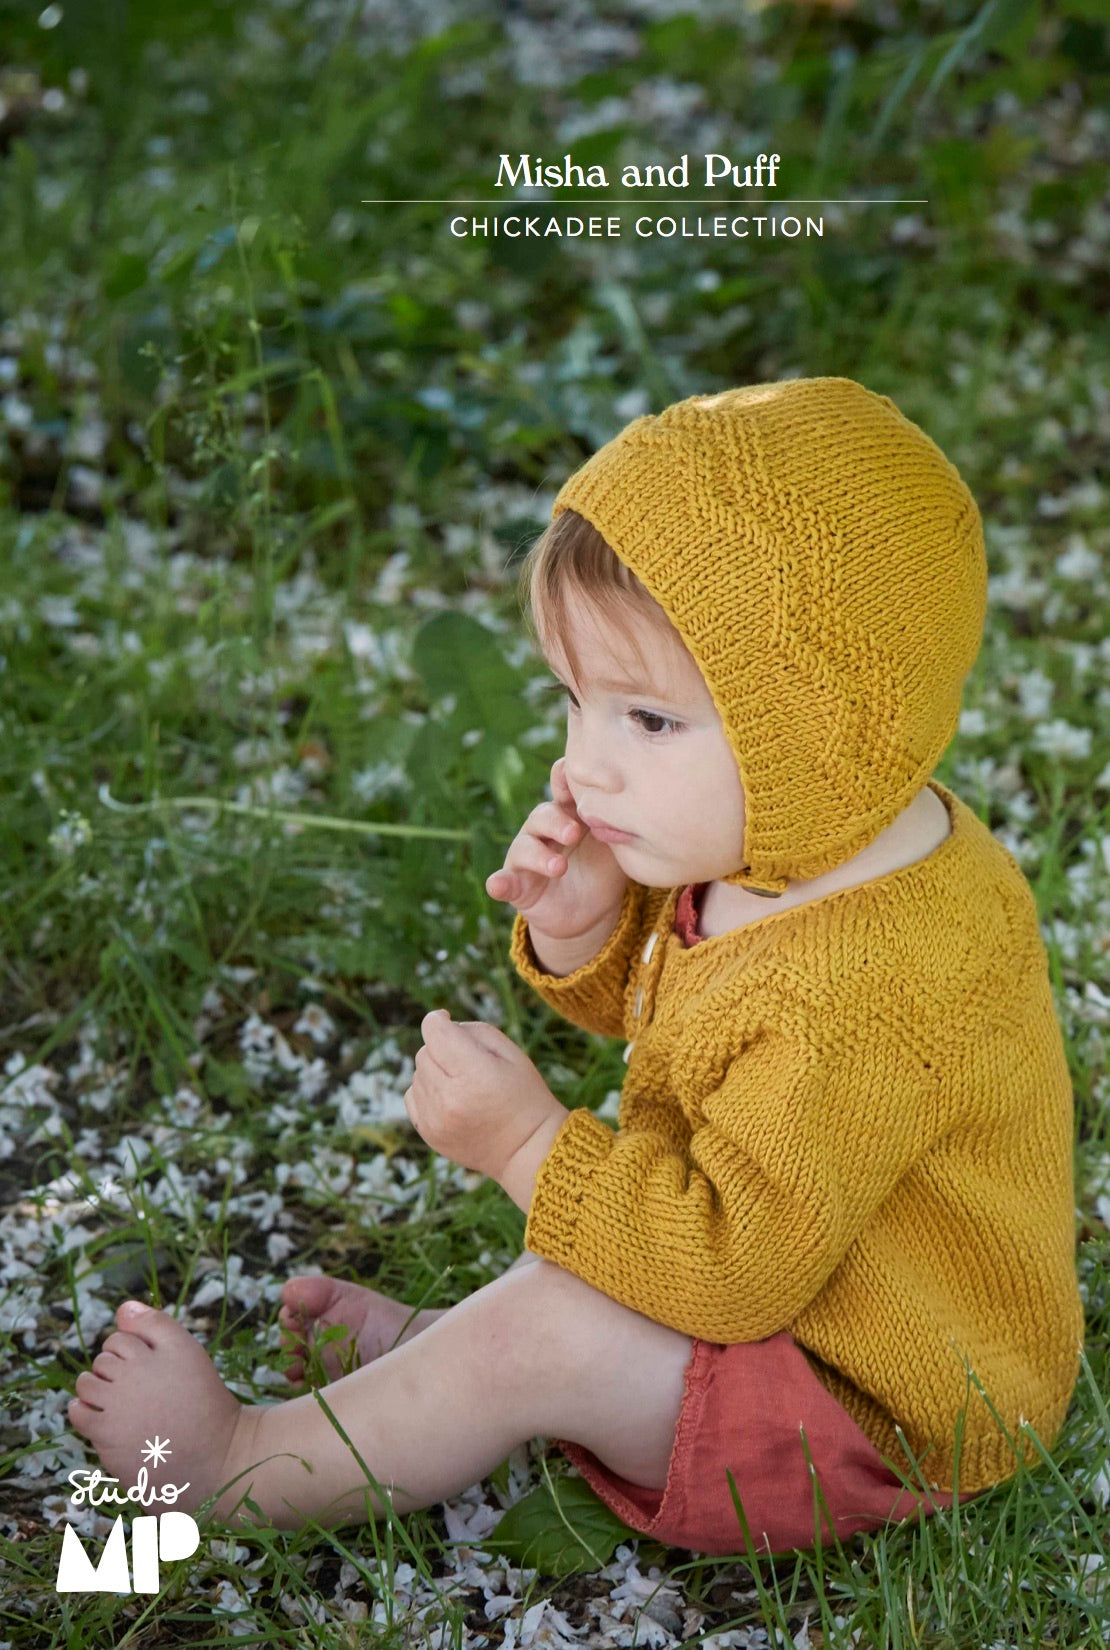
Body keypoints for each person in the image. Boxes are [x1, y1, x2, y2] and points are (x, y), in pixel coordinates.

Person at [68, 378, 1083, 1556]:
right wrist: (592, 924)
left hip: (874, 1403)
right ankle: (444, 1375)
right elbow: (689, 1011)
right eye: (573, 700)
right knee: (569, 1282)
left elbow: (724, 1274)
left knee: (552, 1323)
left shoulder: (872, 989)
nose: (583, 768)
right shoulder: (802, 833)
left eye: (646, 721)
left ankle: (230, 1473)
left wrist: (522, 1146)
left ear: (823, 726)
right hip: (792, 1306)